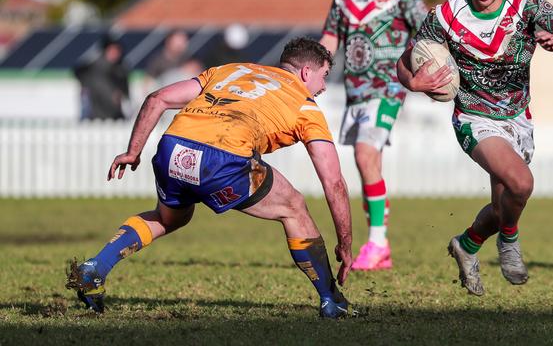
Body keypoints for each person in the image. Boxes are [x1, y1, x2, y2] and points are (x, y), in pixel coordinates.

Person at [66, 37, 355, 318]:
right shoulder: (305, 105)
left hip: (173, 147)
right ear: (306, 72)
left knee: (169, 218)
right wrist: (345, 241)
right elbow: (333, 182)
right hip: (223, 157)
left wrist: (133, 152)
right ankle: (332, 300)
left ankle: (95, 268)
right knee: (293, 207)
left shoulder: (233, 70)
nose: (323, 87)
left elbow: (158, 98)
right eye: (324, 77)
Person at [397, 0, 553, 295]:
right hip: (473, 117)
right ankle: (510, 243)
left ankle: (467, 245)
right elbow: (405, 63)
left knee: (503, 206)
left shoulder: (526, 6)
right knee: (521, 183)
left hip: (518, 117)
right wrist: (414, 82)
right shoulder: (445, 16)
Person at [320, 0, 428, 271]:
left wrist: (424, 70)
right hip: (356, 90)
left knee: (366, 156)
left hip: (389, 86)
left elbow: (428, 30)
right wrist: (311, 71)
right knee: (368, 164)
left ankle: (377, 242)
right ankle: (380, 245)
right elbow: (331, 36)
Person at [73, 35, 131, 120]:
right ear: (105, 50)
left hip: (114, 115)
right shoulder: (93, 67)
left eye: (117, 51)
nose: (115, 54)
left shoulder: (120, 69)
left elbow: (125, 93)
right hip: (96, 115)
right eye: (112, 50)